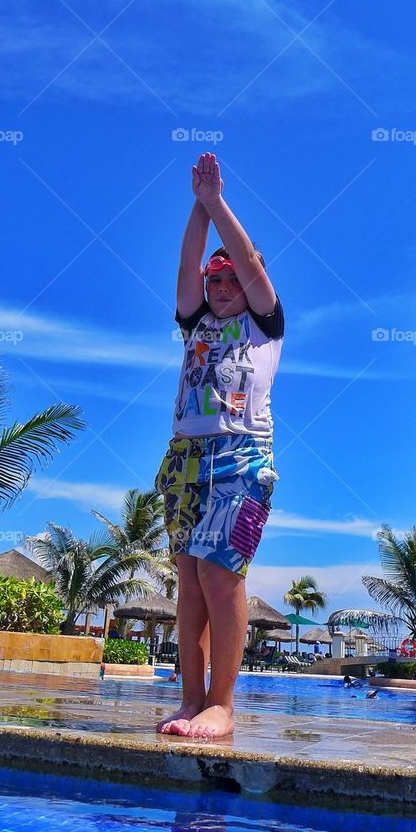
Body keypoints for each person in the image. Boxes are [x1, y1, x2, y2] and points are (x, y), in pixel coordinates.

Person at [154, 152, 285, 740]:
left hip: (242, 456)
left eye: (233, 278)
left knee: (219, 575)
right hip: (185, 459)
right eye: (217, 280)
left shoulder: (263, 324)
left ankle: (223, 703)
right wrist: (195, 206)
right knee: (188, 578)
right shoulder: (195, 322)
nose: (225, 285)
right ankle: (191, 701)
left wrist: (216, 201)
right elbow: (187, 262)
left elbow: (251, 263)